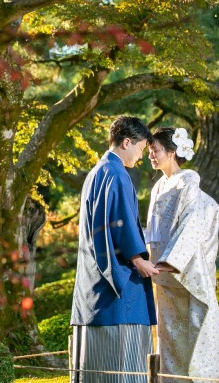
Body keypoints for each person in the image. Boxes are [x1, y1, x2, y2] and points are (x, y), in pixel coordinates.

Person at [71, 116, 159, 383]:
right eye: (141, 149)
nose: (141, 157)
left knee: (94, 369)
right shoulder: (117, 174)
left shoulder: (97, 172)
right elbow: (120, 222)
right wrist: (138, 260)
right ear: (126, 142)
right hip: (116, 288)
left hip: (91, 282)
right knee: (123, 364)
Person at [145, 127, 219, 383]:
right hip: (161, 271)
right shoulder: (159, 186)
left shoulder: (188, 182)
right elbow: (154, 230)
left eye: (155, 150)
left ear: (172, 152)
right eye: (150, 150)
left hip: (181, 271)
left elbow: (192, 223)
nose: (150, 155)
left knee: (191, 330)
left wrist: (171, 261)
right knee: (167, 334)